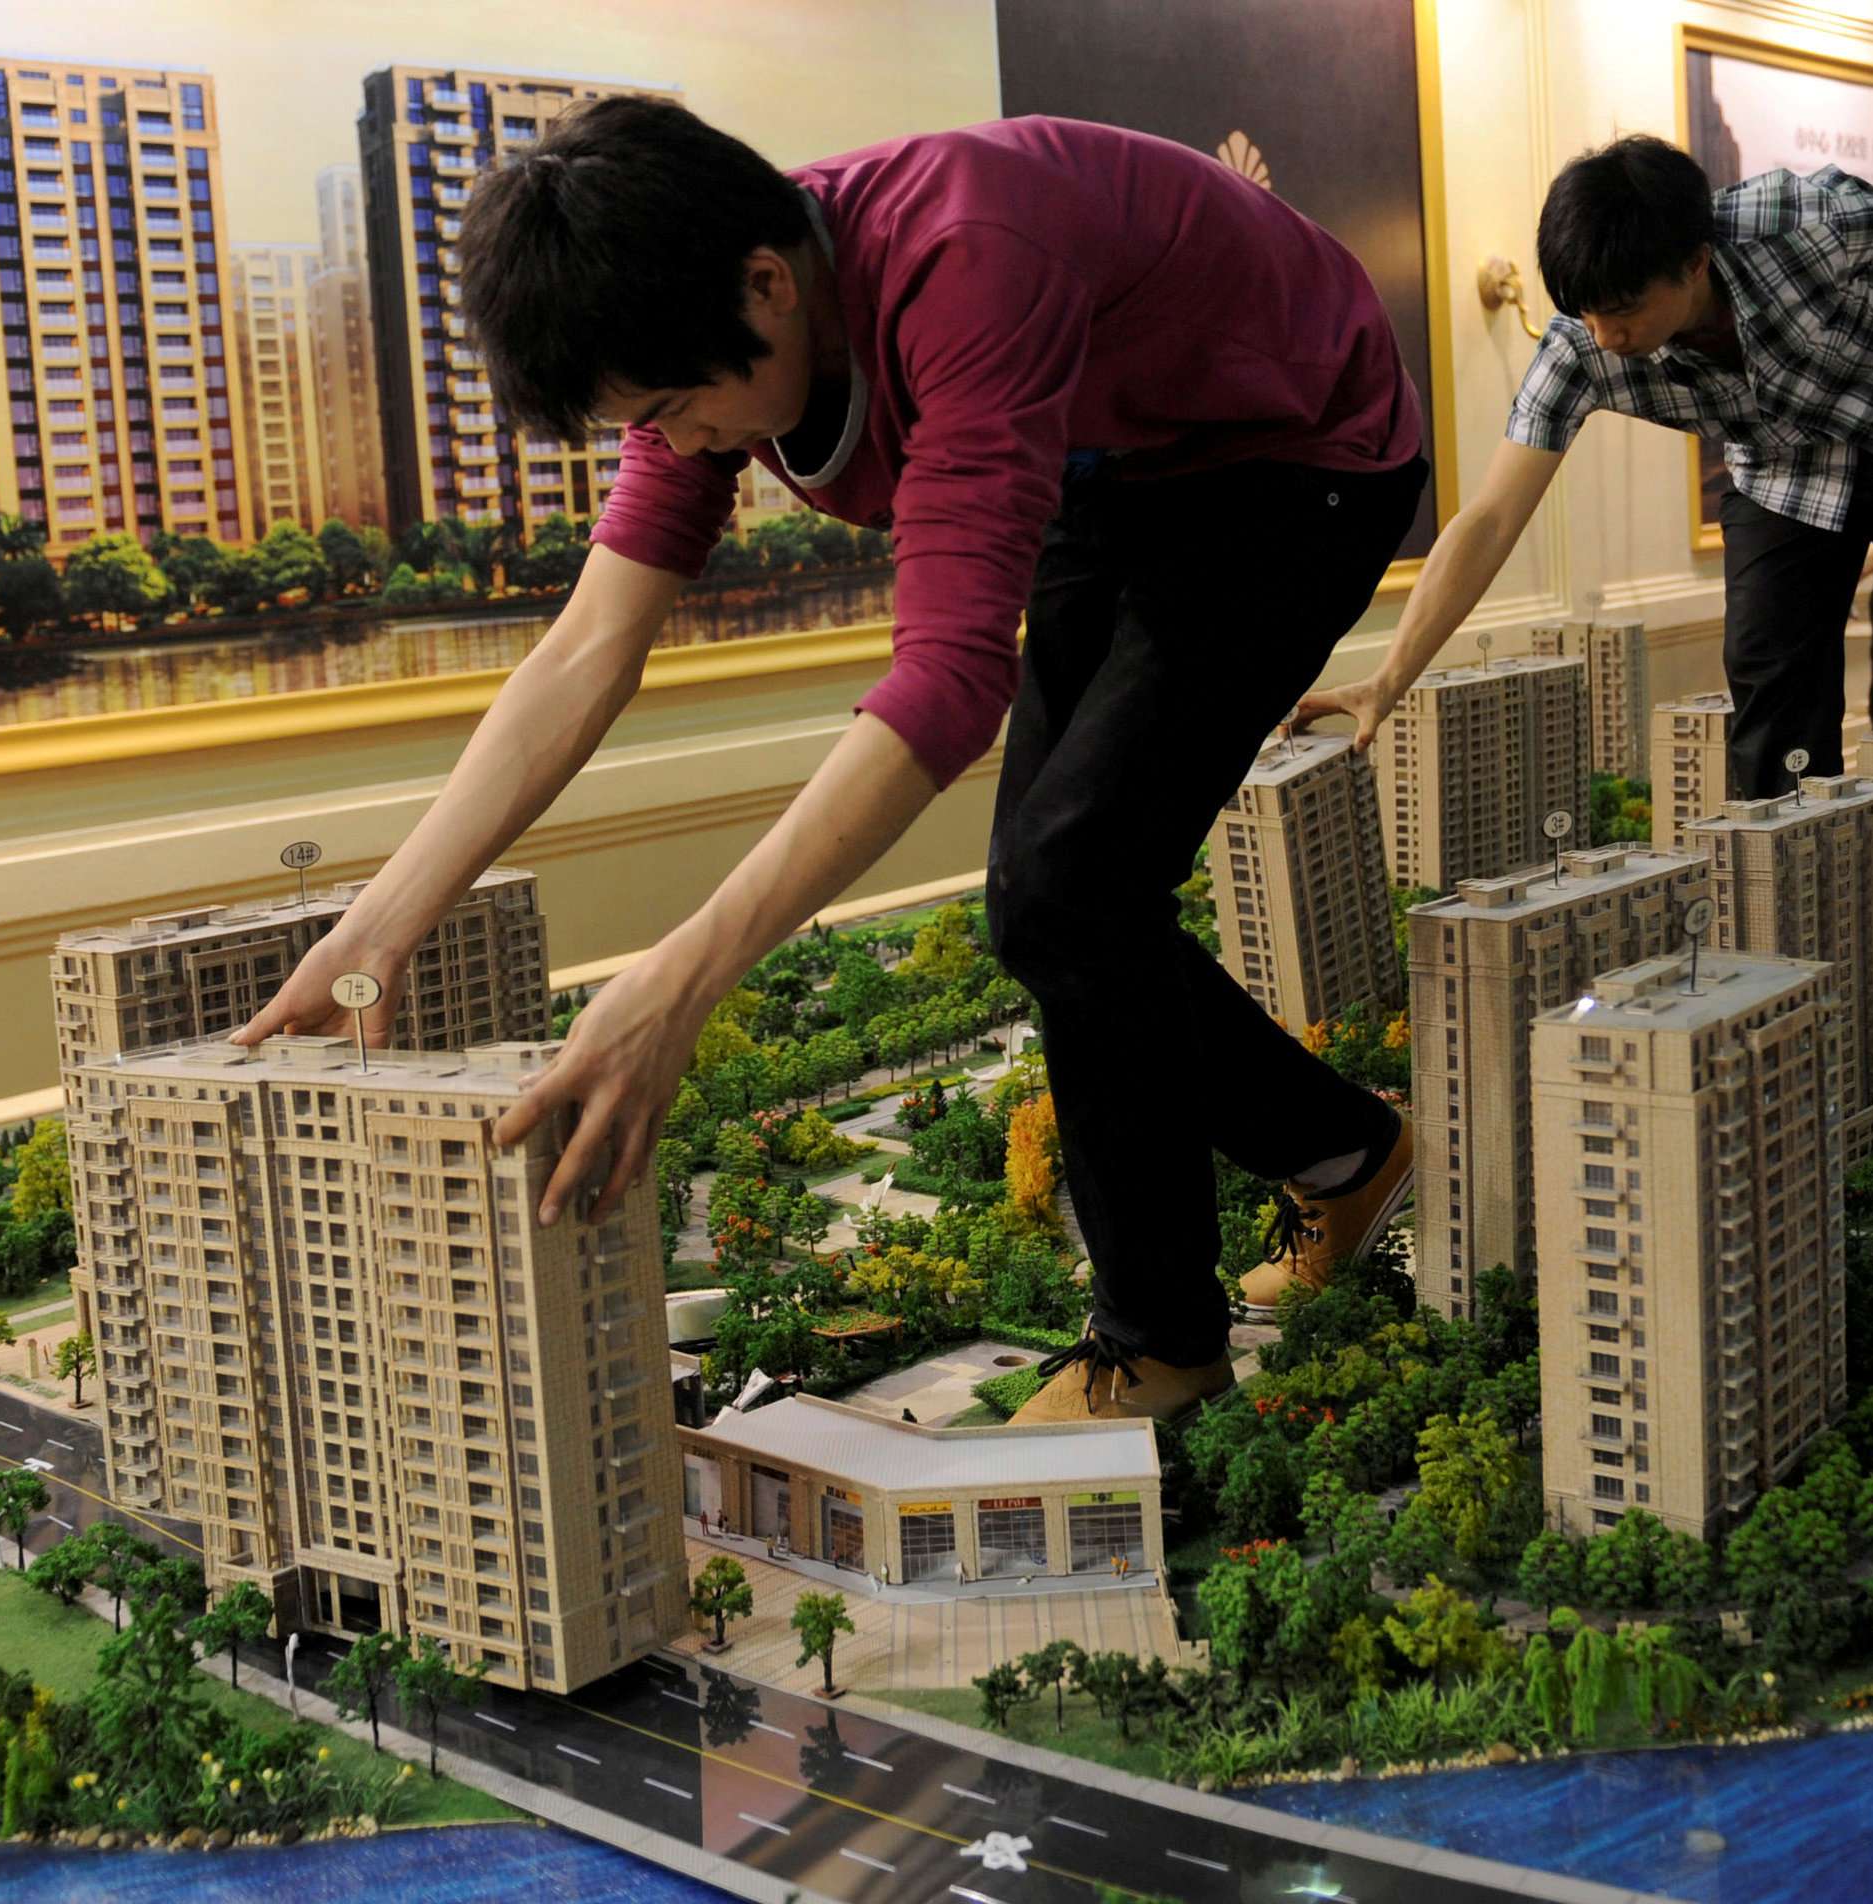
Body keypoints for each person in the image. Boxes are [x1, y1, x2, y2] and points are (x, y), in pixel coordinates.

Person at [229, 100, 1427, 1426]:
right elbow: (588, 650)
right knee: (1057, 906)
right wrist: (374, 935)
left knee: (1068, 887)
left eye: (678, 411)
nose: (682, 446)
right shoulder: (713, 311)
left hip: (1298, 452)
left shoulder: (967, 260)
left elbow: (944, 682)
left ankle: (1172, 1334)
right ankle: (1347, 1157)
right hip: (1121, 465)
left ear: (768, 283)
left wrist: (676, 982)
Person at [1300, 135, 1873, 959]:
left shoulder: (1797, 219)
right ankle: (1798, 913)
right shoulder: (1579, 345)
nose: (1607, 335)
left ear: (1696, 263)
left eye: (1626, 309)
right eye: (1588, 310)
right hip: (1786, 465)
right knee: (1767, 671)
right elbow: (1492, 517)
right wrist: (1390, 677)